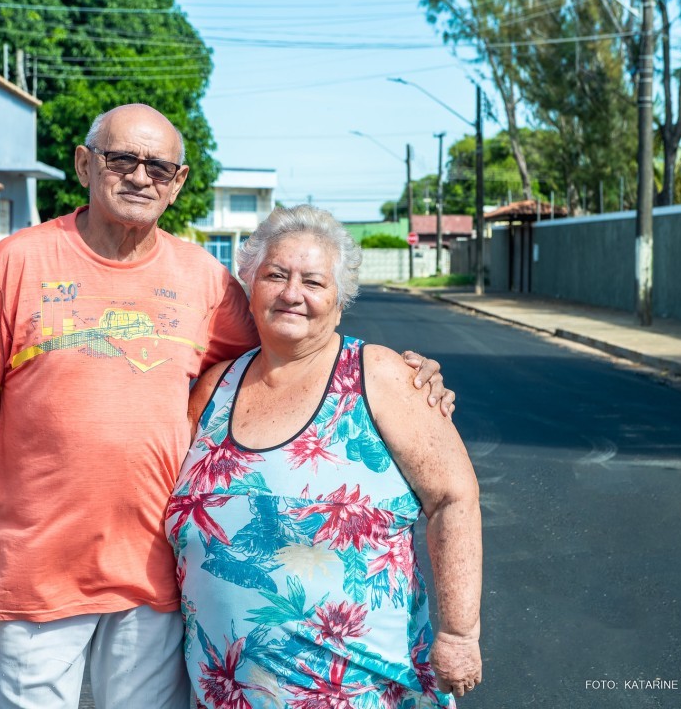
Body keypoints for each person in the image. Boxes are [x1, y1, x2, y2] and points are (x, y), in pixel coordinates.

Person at [0, 104, 455, 709]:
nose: (139, 176)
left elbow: (294, 339)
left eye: (158, 166)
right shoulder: (18, 262)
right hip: (34, 572)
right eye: (121, 159)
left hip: (154, 579)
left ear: (178, 183)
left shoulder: (203, 279)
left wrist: (402, 373)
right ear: (83, 164)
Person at [166, 204, 482, 708]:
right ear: (250, 285)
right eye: (276, 275)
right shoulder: (214, 386)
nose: (292, 294)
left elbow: (453, 498)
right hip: (223, 692)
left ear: (339, 299)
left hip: (362, 688)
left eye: (313, 281)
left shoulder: (379, 375)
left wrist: (460, 633)